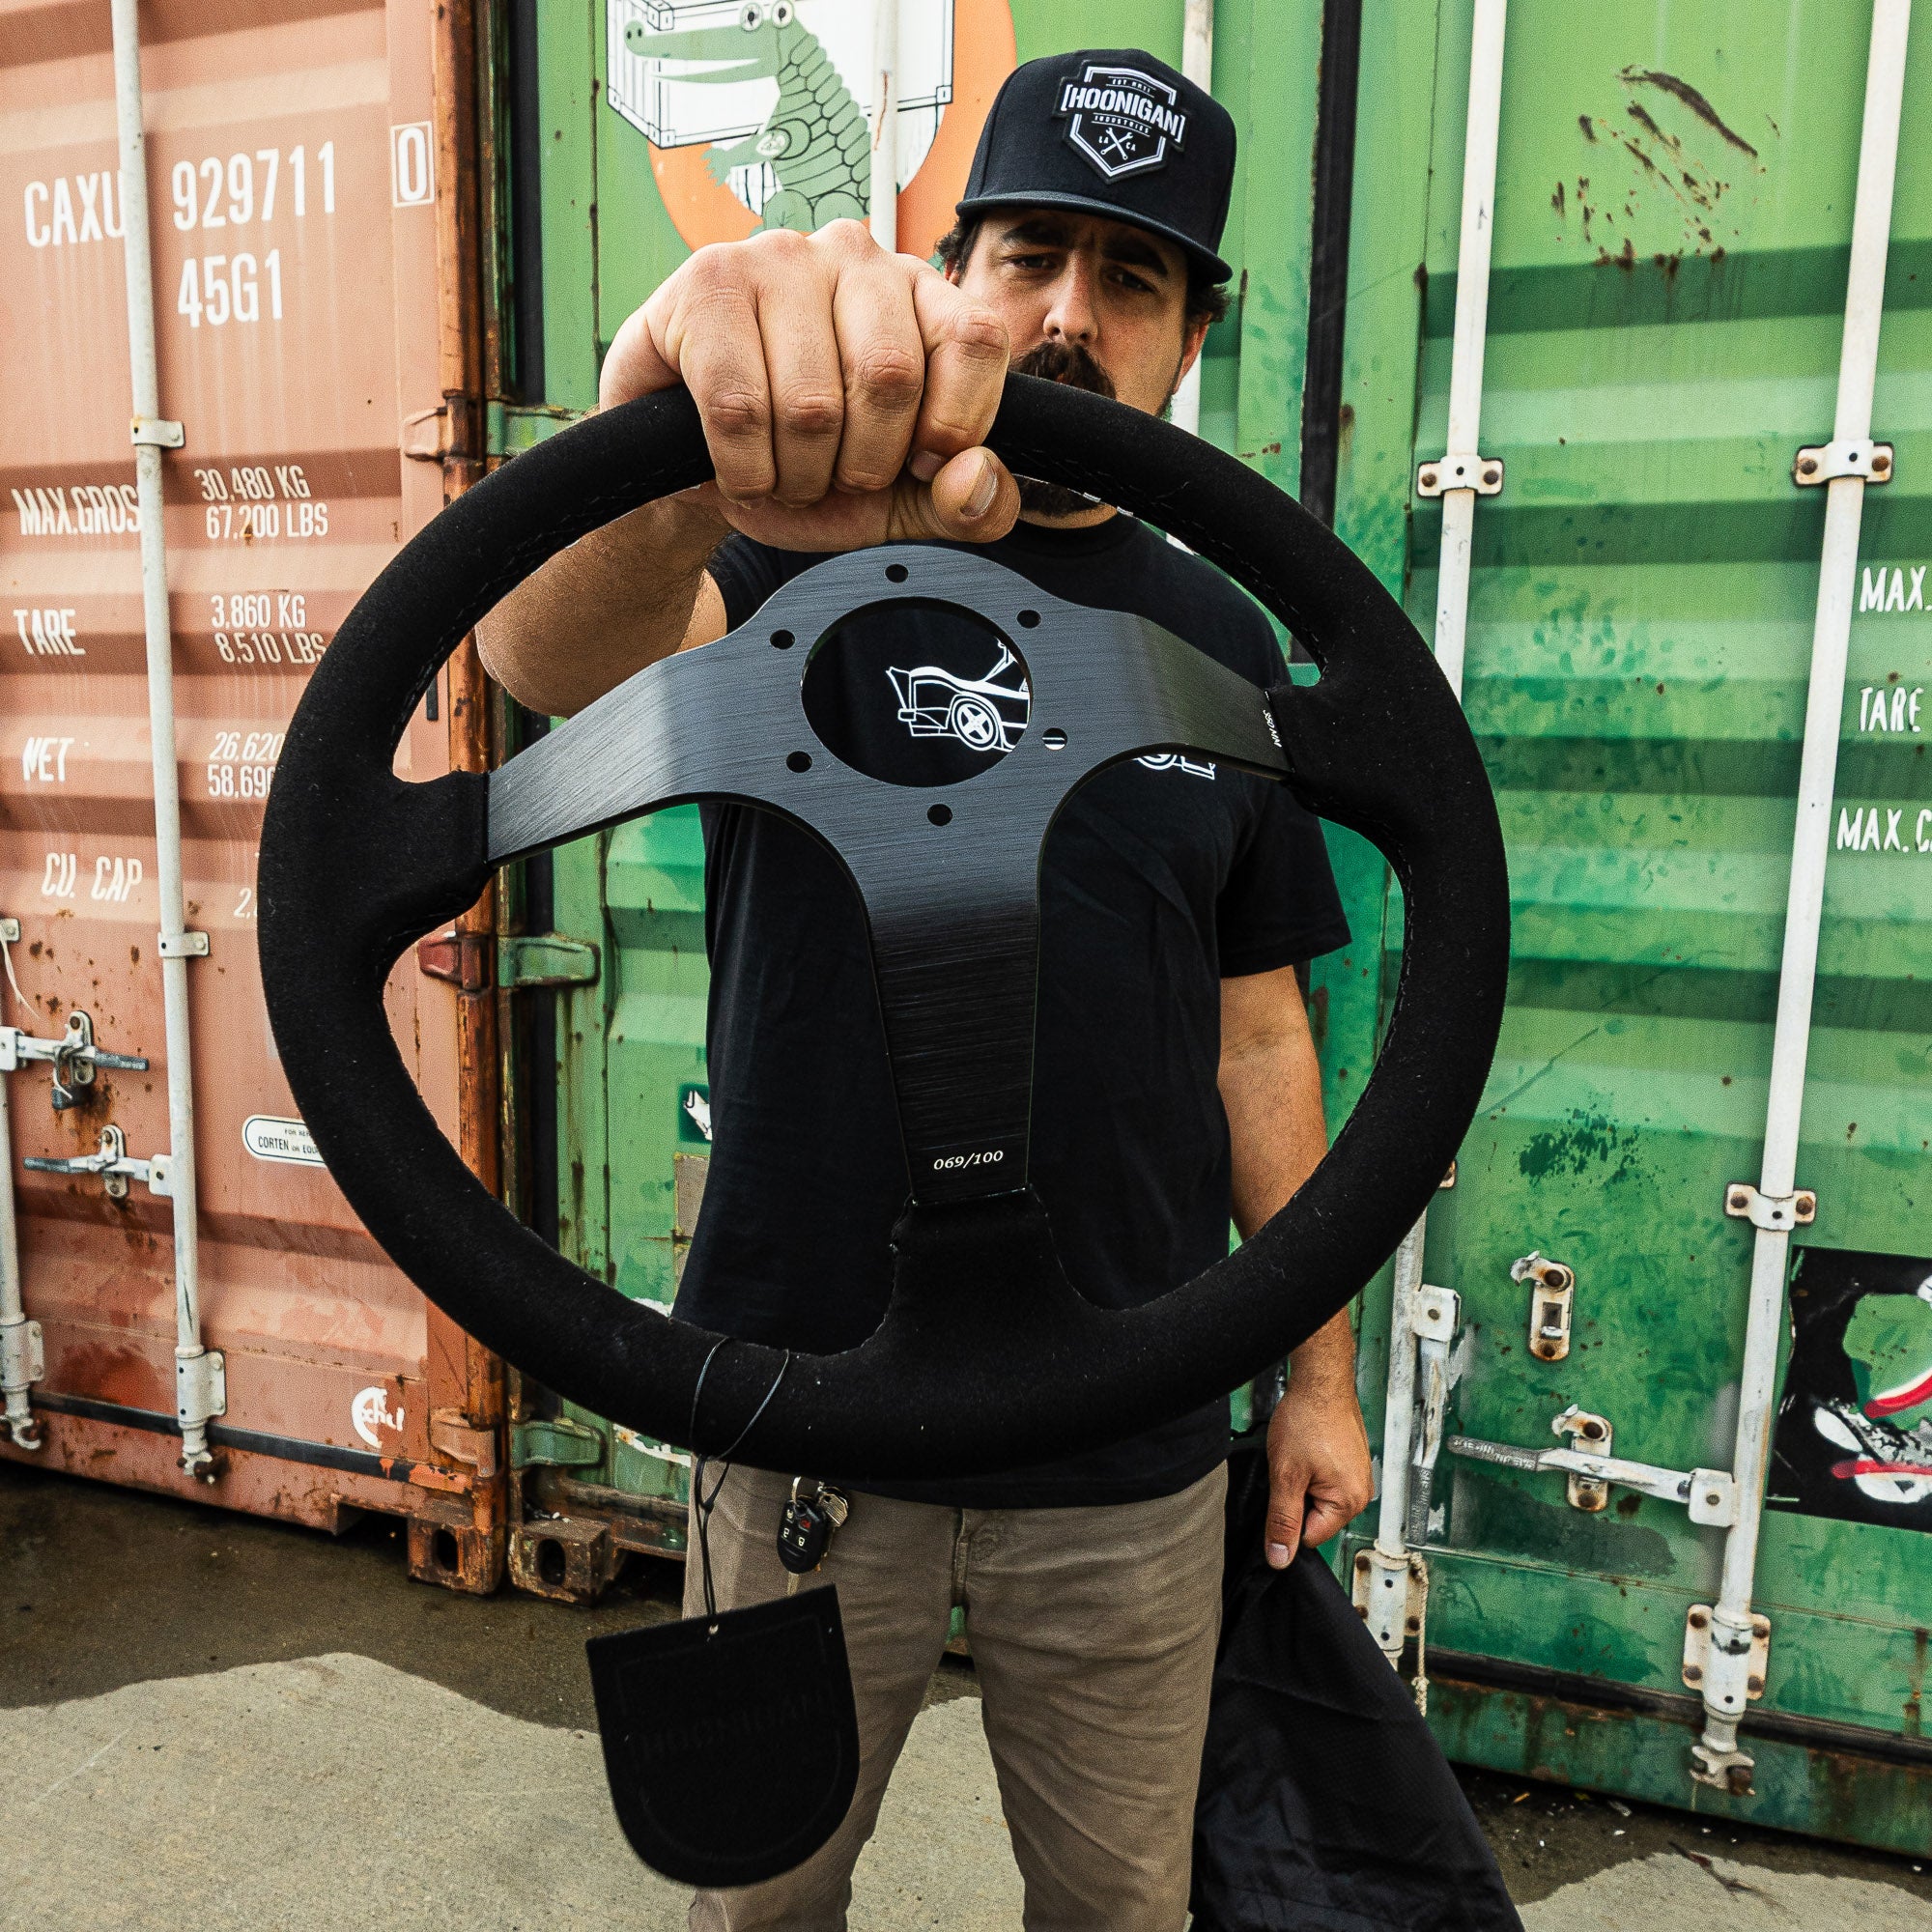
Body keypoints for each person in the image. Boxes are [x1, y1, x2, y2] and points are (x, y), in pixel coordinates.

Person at [480, 47, 1374, 1932]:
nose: (1067, 314)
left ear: (1189, 338)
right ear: (951, 263)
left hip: (1127, 1419)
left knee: (1120, 1910)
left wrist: (1315, 1379)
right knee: (763, 1898)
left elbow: (1259, 1028)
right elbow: (545, 651)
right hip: (802, 1397)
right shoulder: (782, 550)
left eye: (1132, 279)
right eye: (1031, 249)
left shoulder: (1226, 639)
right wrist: (659, 427)